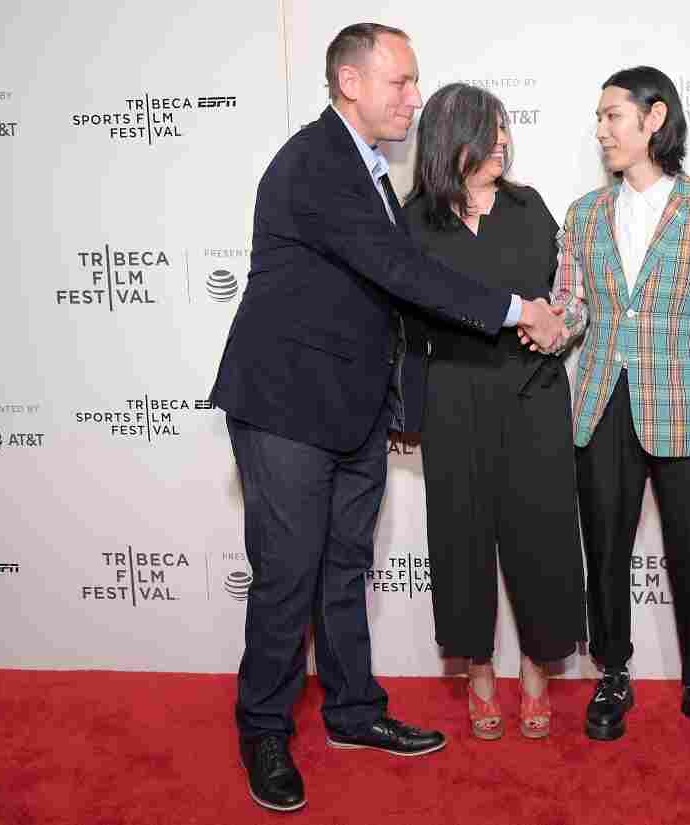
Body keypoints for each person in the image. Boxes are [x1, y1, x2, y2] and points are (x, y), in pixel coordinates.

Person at [210, 23, 565, 813]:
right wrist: (515, 310)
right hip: (287, 406)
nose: (414, 97)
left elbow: (382, 301)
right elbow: (402, 272)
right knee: (287, 575)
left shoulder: (368, 169)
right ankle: (264, 727)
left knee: (343, 567)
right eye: (400, 83)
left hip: (352, 408)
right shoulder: (318, 162)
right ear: (349, 82)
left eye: (414, 83)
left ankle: (352, 712)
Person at [527, 65, 690, 749]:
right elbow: (572, 310)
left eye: (612, 116)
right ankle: (614, 673)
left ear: (654, 118)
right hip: (601, 404)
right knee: (604, 550)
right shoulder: (584, 214)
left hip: (687, 408)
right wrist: (541, 321)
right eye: (598, 120)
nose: (601, 131)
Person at [402, 83, 586, 741]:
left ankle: (536, 674)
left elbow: (563, 296)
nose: (504, 141)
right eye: (491, 130)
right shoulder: (416, 219)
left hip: (532, 391)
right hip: (453, 396)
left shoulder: (529, 206)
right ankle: (478, 675)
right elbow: (403, 319)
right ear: (455, 139)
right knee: (461, 536)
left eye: (506, 129)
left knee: (542, 535)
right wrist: (405, 407)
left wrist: (561, 325)